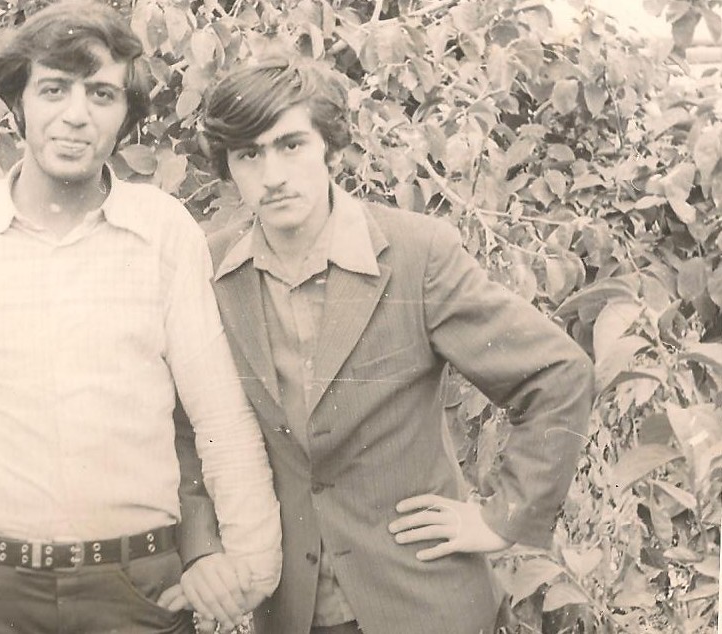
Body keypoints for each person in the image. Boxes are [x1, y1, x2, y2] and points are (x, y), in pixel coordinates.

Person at [0, 3, 281, 632]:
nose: (76, 114)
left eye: (101, 94)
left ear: (125, 113)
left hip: (138, 587)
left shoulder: (163, 230)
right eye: (53, 89)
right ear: (20, 101)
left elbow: (221, 418)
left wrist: (251, 565)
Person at [177, 59, 596, 634]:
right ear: (227, 166)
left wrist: (501, 519)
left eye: (291, 145)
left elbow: (557, 373)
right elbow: (184, 423)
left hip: (423, 602)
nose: (272, 175)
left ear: (331, 149)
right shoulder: (211, 268)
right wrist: (201, 547)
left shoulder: (417, 254)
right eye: (249, 154)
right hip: (292, 610)